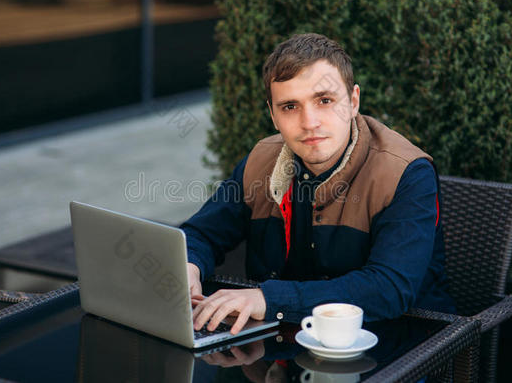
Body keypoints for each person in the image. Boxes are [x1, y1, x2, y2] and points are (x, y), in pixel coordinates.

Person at [183, 33, 455, 335]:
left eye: (324, 100)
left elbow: (389, 289)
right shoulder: (261, 161)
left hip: (401, 346)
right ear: (273, 115)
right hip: (282, 347)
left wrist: (268, 299)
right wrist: (188, 266)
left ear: (353, 102)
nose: (309, 121)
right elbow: (200, 233)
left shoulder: (406, 173)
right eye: (289, 107)